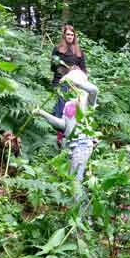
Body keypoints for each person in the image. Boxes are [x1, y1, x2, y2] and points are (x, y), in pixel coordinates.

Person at [34, 69, 98, 213]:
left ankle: (80, 220)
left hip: (82, 144)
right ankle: (87, 215)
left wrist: (79, 83)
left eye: (72, 83)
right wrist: (42, 113)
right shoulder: (69, 103)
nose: (70, 86)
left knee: (75, 181)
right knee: (75, 181)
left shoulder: (87, 99)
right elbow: (63, 125)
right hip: (69, 145)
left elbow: (95, 90)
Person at [51, 24, 87, 146]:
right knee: (61, 108)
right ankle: (60, 135)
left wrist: (77, 71)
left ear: (74, 36)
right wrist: (66, 70)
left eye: (72, 34)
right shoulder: (57, 49)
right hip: (60, 82)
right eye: (68, 34)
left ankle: (72, 134)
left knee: (72, 110)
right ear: (64, 35)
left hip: (74, 85)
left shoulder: (79, 52)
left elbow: (83, 70)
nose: (70, 36)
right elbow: (53, 67)